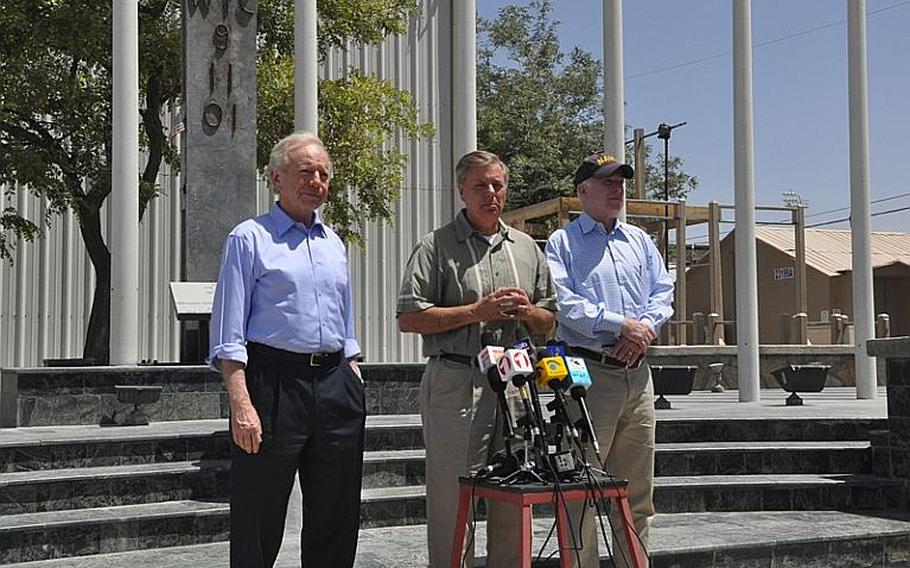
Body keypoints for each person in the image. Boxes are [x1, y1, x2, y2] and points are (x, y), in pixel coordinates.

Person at [208, 132, 365, 568]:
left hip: (335, 385)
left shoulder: (333, 244)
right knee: (259, 513)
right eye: (305, 172)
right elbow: (228, 331)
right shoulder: (249, 239)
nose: (316, 181)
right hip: (272, 384)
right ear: (276, 178)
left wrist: (351, 368)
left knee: (336, 513)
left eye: (323, 173)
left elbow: (344, 317)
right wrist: (241, 401)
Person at [397, 150, 557, 567]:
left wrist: (528, 312)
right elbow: (409, 317)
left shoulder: (526, 248)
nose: (491, 193)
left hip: (516, 385)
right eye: (481, 185)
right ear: (461, 190)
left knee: (514, 493)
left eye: (498, 184)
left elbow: (551, 320)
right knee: (454, 500)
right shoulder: (435, 246)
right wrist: (475, 312)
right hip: (457, 381)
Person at [545, 152, 674, 568]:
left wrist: (643, 331)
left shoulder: (639, 240)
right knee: (580, 491)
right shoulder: (563, 242)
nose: (617, 188)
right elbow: (564, 305)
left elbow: (663, 290)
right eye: (607, 182)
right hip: (587, 376)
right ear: (583, 191)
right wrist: (622, 325)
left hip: (637, 377)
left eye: (621, 182)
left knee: (638, 494)